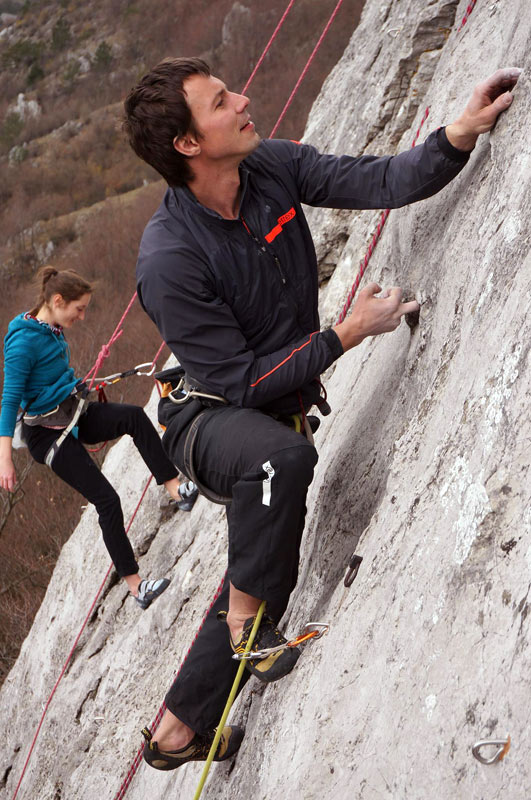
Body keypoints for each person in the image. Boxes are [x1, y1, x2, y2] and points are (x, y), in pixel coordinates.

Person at [122, 58, 521, 767]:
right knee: (279, 465)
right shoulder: (170, 259)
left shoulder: (267, 168)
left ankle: (179, 730)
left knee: (267, 551)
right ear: (187, 144)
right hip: (208, 419)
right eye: (221, 101)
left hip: (269, 408)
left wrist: (457, 133)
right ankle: (247, 626)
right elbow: (239, 383)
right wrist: (343, 333)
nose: (245, 97)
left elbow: (371, 179)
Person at [0, 266, 199, 610]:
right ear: (57, 301)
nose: (82, 316)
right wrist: (4, 459)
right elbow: (9, 399)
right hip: (47, 437)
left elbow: (50, 378)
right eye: (79, 308)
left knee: (134, 418)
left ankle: (174, 489)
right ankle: (138, 588)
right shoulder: (22, 342)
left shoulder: (51, 328)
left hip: (71, 412)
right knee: (107, 500)